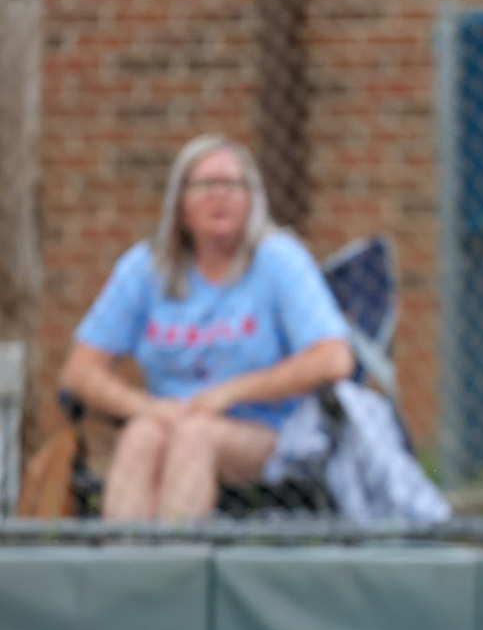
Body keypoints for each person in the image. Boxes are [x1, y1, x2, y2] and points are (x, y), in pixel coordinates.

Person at [58, 134, 354, 520]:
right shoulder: (146, 268)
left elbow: (333, 359)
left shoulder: (279, 259)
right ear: (179, 204)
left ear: (252, 199)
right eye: (204, 185)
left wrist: (227, 394)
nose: (220, 195)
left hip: (265, 432)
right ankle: (126, 566)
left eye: (232, 184)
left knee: (195, 436)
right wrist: (149, 407)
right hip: (170, 420)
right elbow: (79, 372)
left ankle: (176, 571)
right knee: (141, 435)